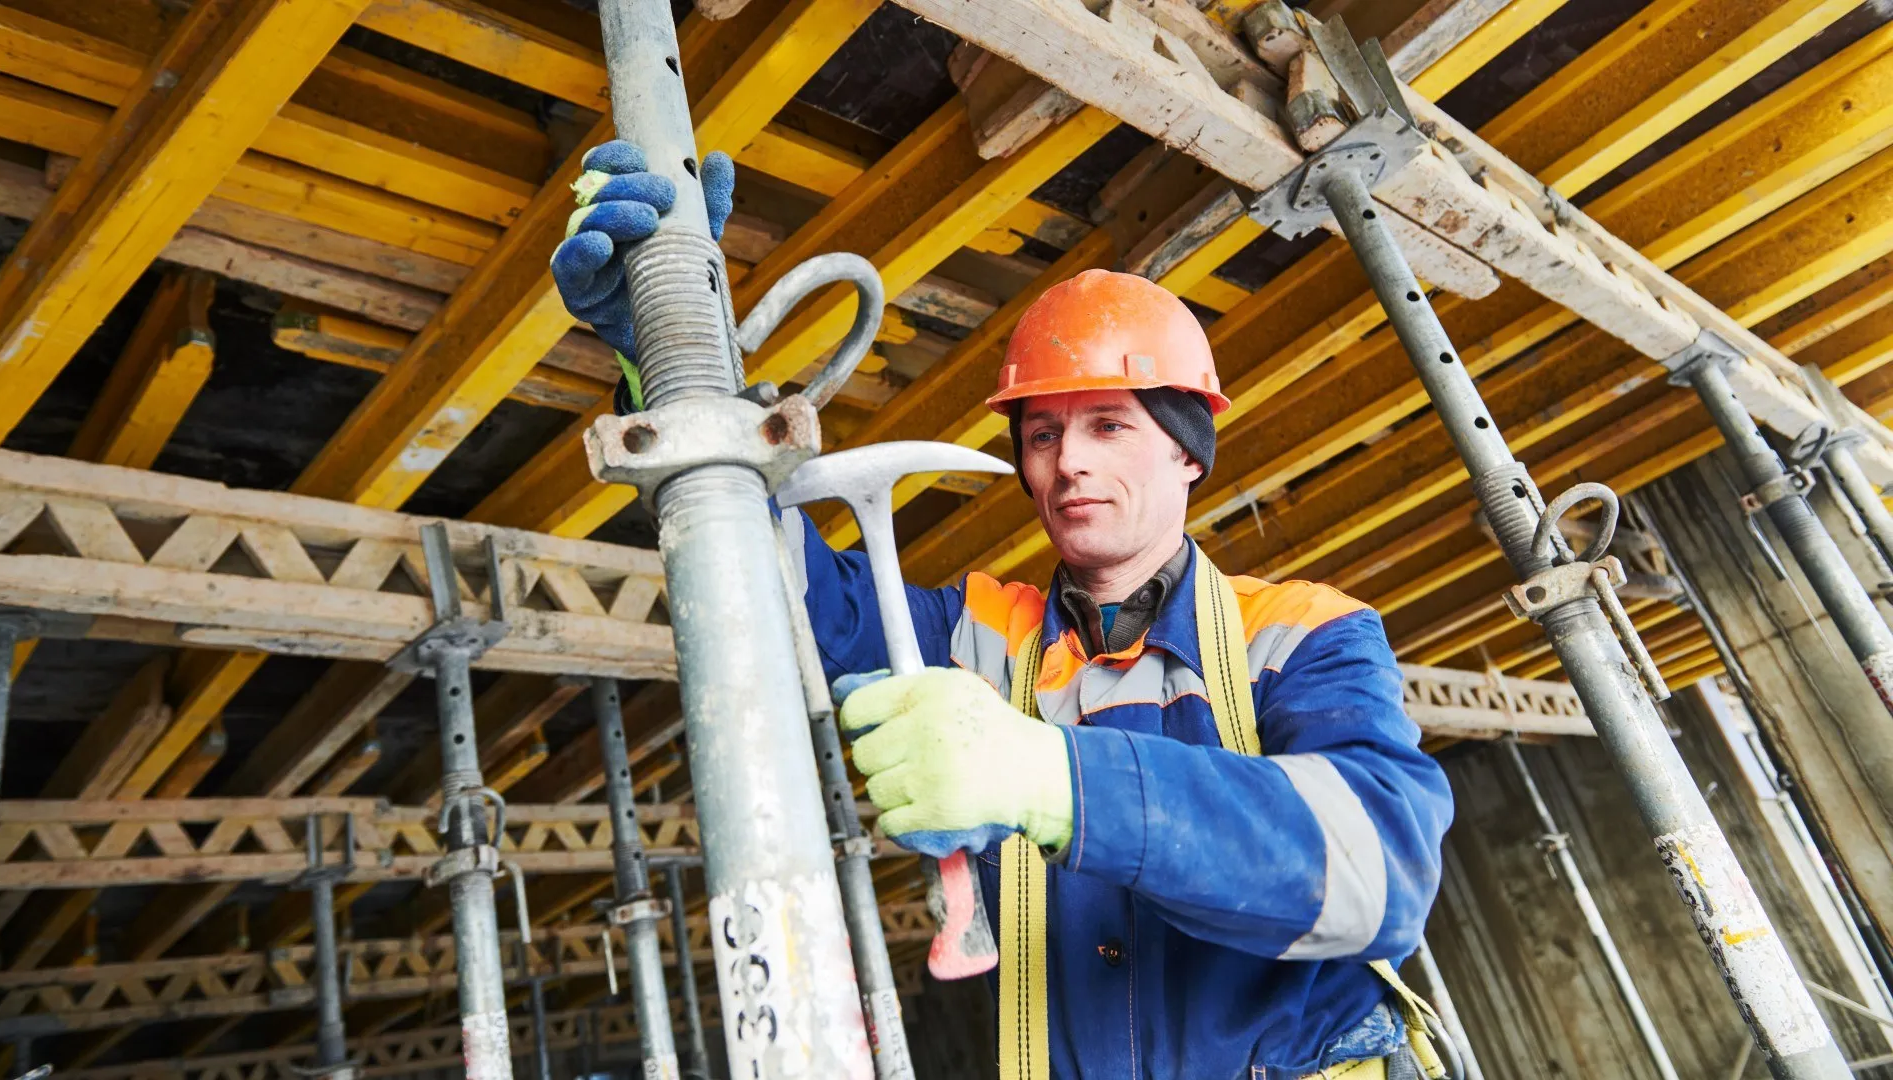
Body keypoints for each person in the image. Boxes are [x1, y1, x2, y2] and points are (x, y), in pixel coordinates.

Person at [554, 141, 1455, 1080]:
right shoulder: (974, 639)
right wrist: (671, 370)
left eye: (1110, 424)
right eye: (1042, 434)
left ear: (1190, 450)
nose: (1068, 462)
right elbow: (778, 602)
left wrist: (1054, 779)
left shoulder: (1303, 632)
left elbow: (1379, 872)